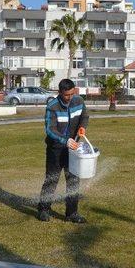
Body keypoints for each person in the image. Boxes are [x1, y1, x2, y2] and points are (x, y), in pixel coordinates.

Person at [37, 79, 89, 223]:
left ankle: (72, 213)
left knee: (73, 180)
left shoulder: (78, 101)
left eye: (72, 94)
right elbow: (49, 130)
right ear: (60, 93)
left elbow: (84, 116)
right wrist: (64, 140)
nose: (70, 97)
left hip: (73, 149)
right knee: (51, 180)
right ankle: (43, 209)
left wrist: (82, 127)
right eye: (67, 95)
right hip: (56, 150)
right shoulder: (52, 106)